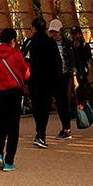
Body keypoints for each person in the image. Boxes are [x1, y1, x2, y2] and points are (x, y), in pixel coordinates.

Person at [0, 27, 29, 172]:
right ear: (13, 40)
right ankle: (9, 162)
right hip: (13, 94)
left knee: (1, 126)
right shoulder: (16, 54)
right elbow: (26, 74)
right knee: (13, 128)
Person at [24, 17, 63, 148]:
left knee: (36, 106)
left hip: (34, 80)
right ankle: (42, 133)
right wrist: (57, 81)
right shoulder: (50, 42)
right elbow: (57, 63)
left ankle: (39, 132)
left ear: (34, 28)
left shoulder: (30, 42)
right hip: (48, 80)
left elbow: (23, 60)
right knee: (45, 107)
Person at [47, 18, 77, 139]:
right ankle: (65, 127)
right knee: (59, 102)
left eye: (56, 31)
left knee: (66, 101)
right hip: (55, 76)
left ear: (61, 31)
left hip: (67, 76)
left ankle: (67, 128)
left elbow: (73, 60)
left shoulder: (68, 43)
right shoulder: (49, 44)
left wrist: (75, 77)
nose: (54, 34)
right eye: (52, 31)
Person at [70, 26, 93, 106]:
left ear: (79, 34)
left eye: (75, 34)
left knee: (82, 91)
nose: (74, 36)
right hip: (72, 72)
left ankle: (83, 105)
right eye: (72, 34)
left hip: (81, 72)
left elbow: (87, 57)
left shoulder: (84, 45)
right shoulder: (70, 45)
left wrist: (79, 48)